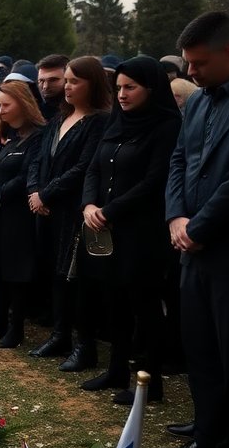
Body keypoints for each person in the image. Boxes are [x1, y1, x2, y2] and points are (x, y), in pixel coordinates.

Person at [157, 4, 229, 448]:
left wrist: (200, 225)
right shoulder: (200, 102)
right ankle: (206, 434)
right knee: (199, 348)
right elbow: (180, 160)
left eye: (199, 64)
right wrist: (177, 217)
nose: (190, 73)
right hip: (191, 245)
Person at [73, 56, 181, 405]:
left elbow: (154, 181)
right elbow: (93, 169)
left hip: (142, 231)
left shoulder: (165, 127)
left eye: (130, 87)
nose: (122, 94)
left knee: (144, 304)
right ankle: (116, 369)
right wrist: (89, 205)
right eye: (118, 87)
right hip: (105, 229)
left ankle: (150, 380)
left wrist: (108, 210)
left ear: (151, 89)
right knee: (113, 300)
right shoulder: (116, 123)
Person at [23, 56, 112, 370]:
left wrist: (46, 193)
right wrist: (35, 191)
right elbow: (38, 160)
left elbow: (84, 166)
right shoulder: (60, 118)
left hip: (75, 211)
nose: (68, 87)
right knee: (55, 274)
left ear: (93, 83)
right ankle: (59, 334)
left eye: (74, 81)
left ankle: (83, 344)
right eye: (68, 81)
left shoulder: (99, 121)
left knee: (75, 277)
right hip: (47, 209)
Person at [0, 82, 45, 348]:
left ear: (23, 104)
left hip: (18, 214)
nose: (1, 110)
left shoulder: (37, 136)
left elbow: (26, 174)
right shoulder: (2, 134)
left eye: (6, 105)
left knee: (15, 271)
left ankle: (16, 327)